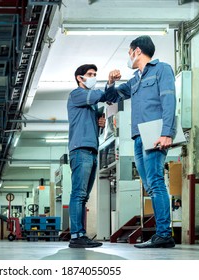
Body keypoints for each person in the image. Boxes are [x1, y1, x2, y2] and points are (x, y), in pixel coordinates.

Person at [106, 35, 177, 248]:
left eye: (129, 52)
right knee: (149, 185)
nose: (128, 57)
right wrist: (111, 82)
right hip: (138, 136)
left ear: (137, 51)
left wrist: (167, 133)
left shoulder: (161, 69)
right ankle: (161, 233)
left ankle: (164, 234)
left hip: (155, 133)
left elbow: (169, 99)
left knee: (155, 182)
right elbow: (112, 98)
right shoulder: (135, 80)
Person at [67, 64, 113, 248]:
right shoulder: (76, 94)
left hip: (92, 150)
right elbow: (98, 95)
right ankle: (76, 236)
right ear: (80, 78)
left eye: (95, 74)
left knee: (83, 196)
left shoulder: (91, 105)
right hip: (80, 150)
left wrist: (99, 123)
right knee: (78, 194)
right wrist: (109, 84)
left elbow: (94, 123)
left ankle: (80, 234)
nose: (93, 77)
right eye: (90, 74)